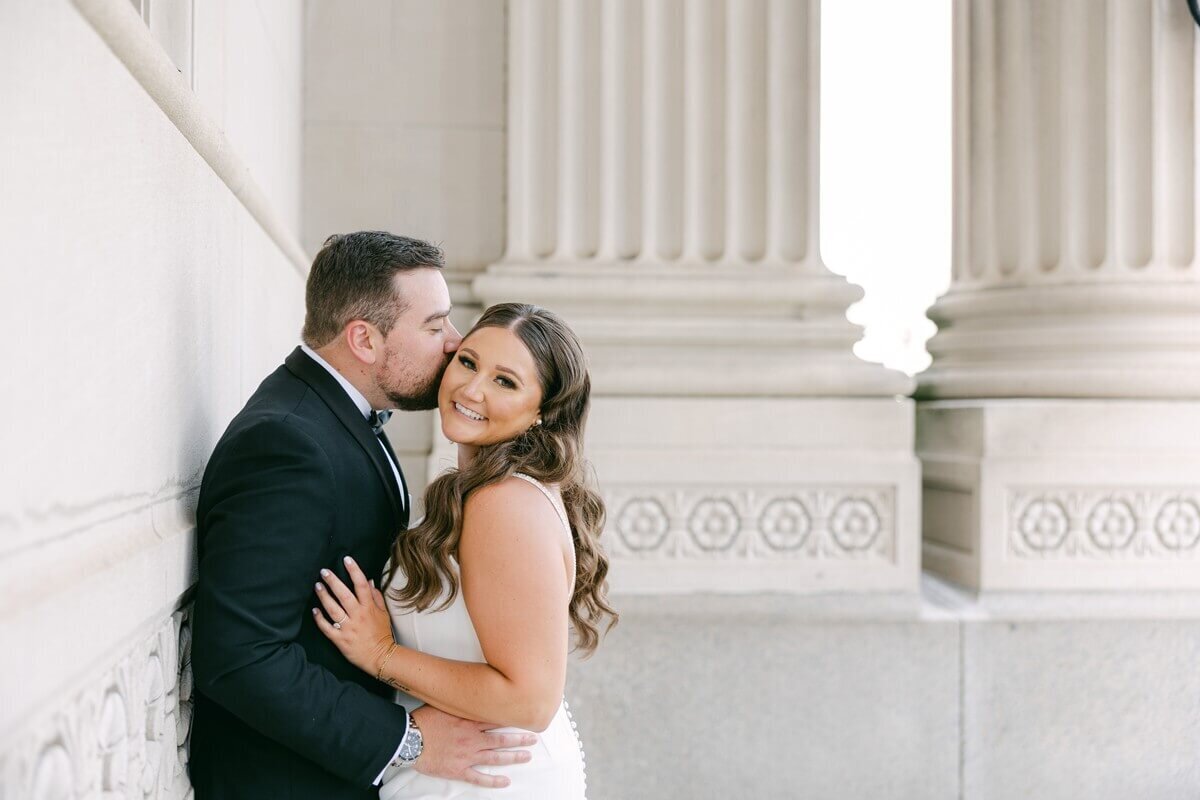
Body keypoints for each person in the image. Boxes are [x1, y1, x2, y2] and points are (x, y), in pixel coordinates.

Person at [189, 233, 536, 799]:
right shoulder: (289, 443)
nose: (453, 344)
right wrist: (406, 739)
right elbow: (240, 657)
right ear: (364, 340)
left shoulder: (334, 419)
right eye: (434, 325)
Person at [312, 302, 618, 799]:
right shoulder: (485, 492)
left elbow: (530, 700)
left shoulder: (505, 503)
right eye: (469, 362)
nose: (472, 390)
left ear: (542, 411)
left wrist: (381, 653)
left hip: (491, 781)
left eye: (506, 381)